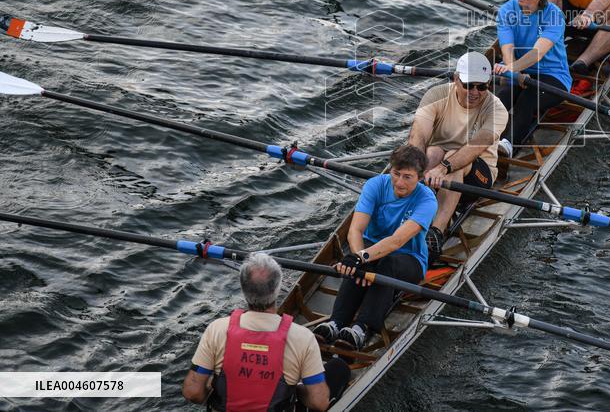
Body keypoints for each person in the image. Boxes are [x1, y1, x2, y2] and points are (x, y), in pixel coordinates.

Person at [183, 252, 349, 411]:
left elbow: (193, 392)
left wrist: (215, 391)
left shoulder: (217, 329)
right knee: (339, 367)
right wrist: (297, 390)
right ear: (277, 288)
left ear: (243, 289)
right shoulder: (303, 337)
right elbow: (318, 402)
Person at [313, 145, 437, 352]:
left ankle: (363, 328)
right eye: (396, 174)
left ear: (420, 177)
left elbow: (397, 241)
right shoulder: (375, 185)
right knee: (354, 264)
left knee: (386, 263)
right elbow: (355, 230)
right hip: (371, 249)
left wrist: (363, 257)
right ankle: (336, 322)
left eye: (407, 177)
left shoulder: (427, 200)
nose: (399, 182)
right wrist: (360, 259)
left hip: (409, 258)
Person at [407, 51, 508, 259]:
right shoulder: (436, 95)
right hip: (434, 169)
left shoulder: (497, 109)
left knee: (454, 158)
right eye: (469, 85)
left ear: (489, 84)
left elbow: (476, 148)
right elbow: (418, 134)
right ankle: (412, 211)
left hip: (478, 177)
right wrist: (414, 169)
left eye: (482, 87)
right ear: (455, 79)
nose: (475, 92)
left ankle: (435, 233)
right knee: (432, 151)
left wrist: (444, 167)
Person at [493, 0, 572, 152]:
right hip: (519, 68)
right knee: (502, 97)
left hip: (553, 75)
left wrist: (511, 69)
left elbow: (538, 53)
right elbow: (507, 47)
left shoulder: (554, 15)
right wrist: (515, 71)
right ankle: (481, 136)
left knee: (527, 99)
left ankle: (508, 144)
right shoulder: (507, 10)